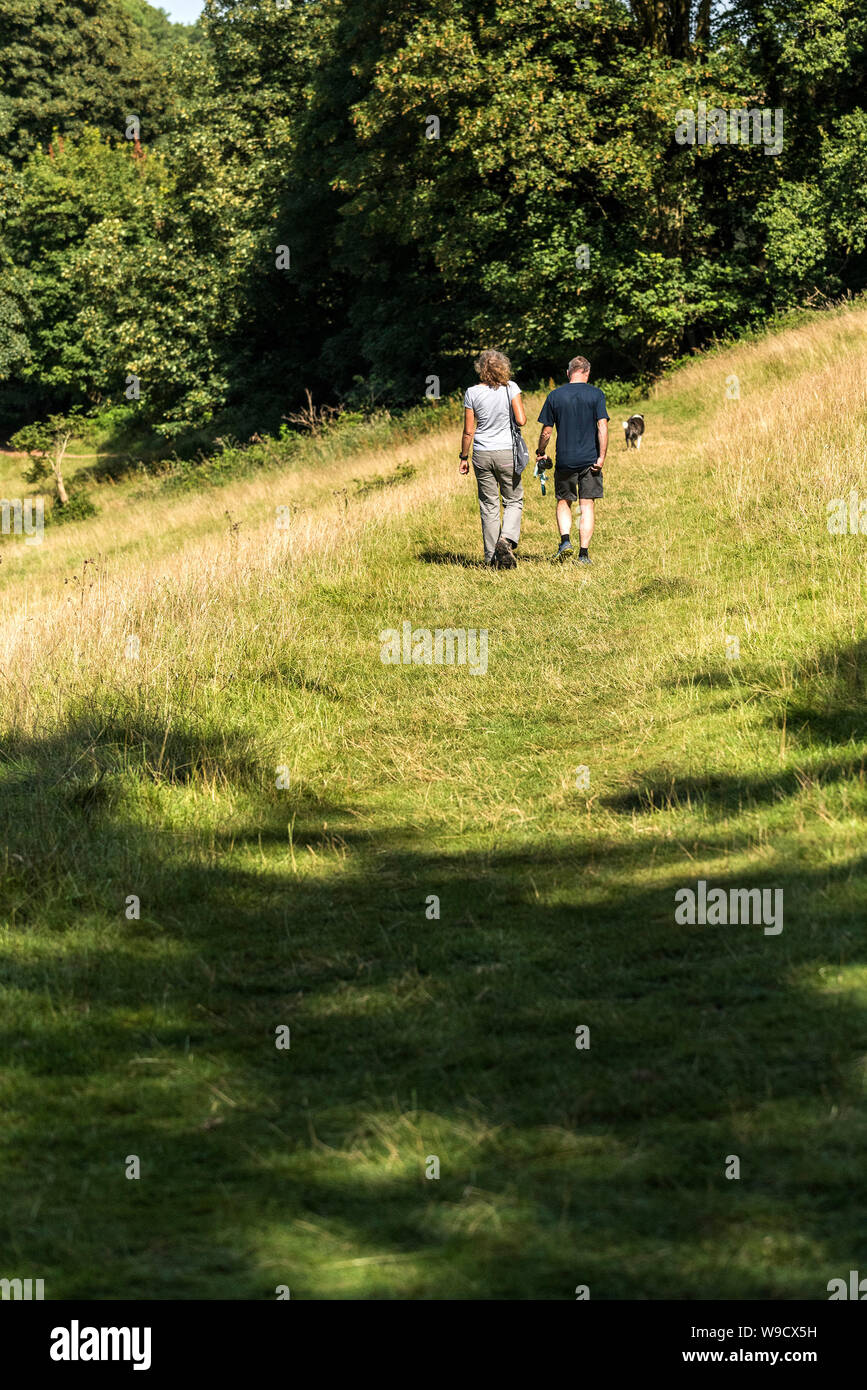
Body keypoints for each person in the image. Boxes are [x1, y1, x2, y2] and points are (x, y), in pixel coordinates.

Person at [535, 355, 609, 565]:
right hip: (590, 460)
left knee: (563, 500)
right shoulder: (596, 394)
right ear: (587, 372)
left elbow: (547, 432)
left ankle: (565, 541)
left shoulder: (555, 396)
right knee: (587, 505)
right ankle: (583, 554)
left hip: (565, 459)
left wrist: (540, 451)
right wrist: (601, 457)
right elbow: (602, 427)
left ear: (568, 373)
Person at [459, 350, 527, 568]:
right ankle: (505, 540)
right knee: (513, 499)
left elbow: (468, 431)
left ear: (481, 369)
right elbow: (522, 420)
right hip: (506, 451)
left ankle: (491, 558)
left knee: (489, 505)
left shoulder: (471, 392)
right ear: (503, 367)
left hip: (481, 453)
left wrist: (463, 457)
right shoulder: (511, 388)